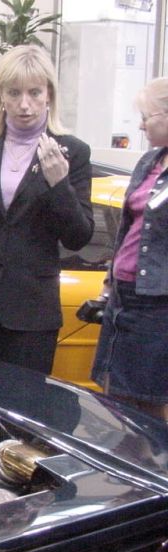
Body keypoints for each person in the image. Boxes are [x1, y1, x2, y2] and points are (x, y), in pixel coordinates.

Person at [0, 45, 93, 374]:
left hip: (31, 312)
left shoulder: (72, 151)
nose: (24, 104)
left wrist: (60, 185)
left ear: (49, 94)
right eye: (14, 93)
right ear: (1, 95)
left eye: (34, 93)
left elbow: (78, 237)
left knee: (25, 399)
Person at [91, 78, 168, 420]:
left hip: (156, 304)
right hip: (123, 297)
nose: (140, 125)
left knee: (147, 401)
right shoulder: (149, 162)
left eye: (146, 117)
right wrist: (108, 285)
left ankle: (153, 455)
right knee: (114, 396)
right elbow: (125, 228)